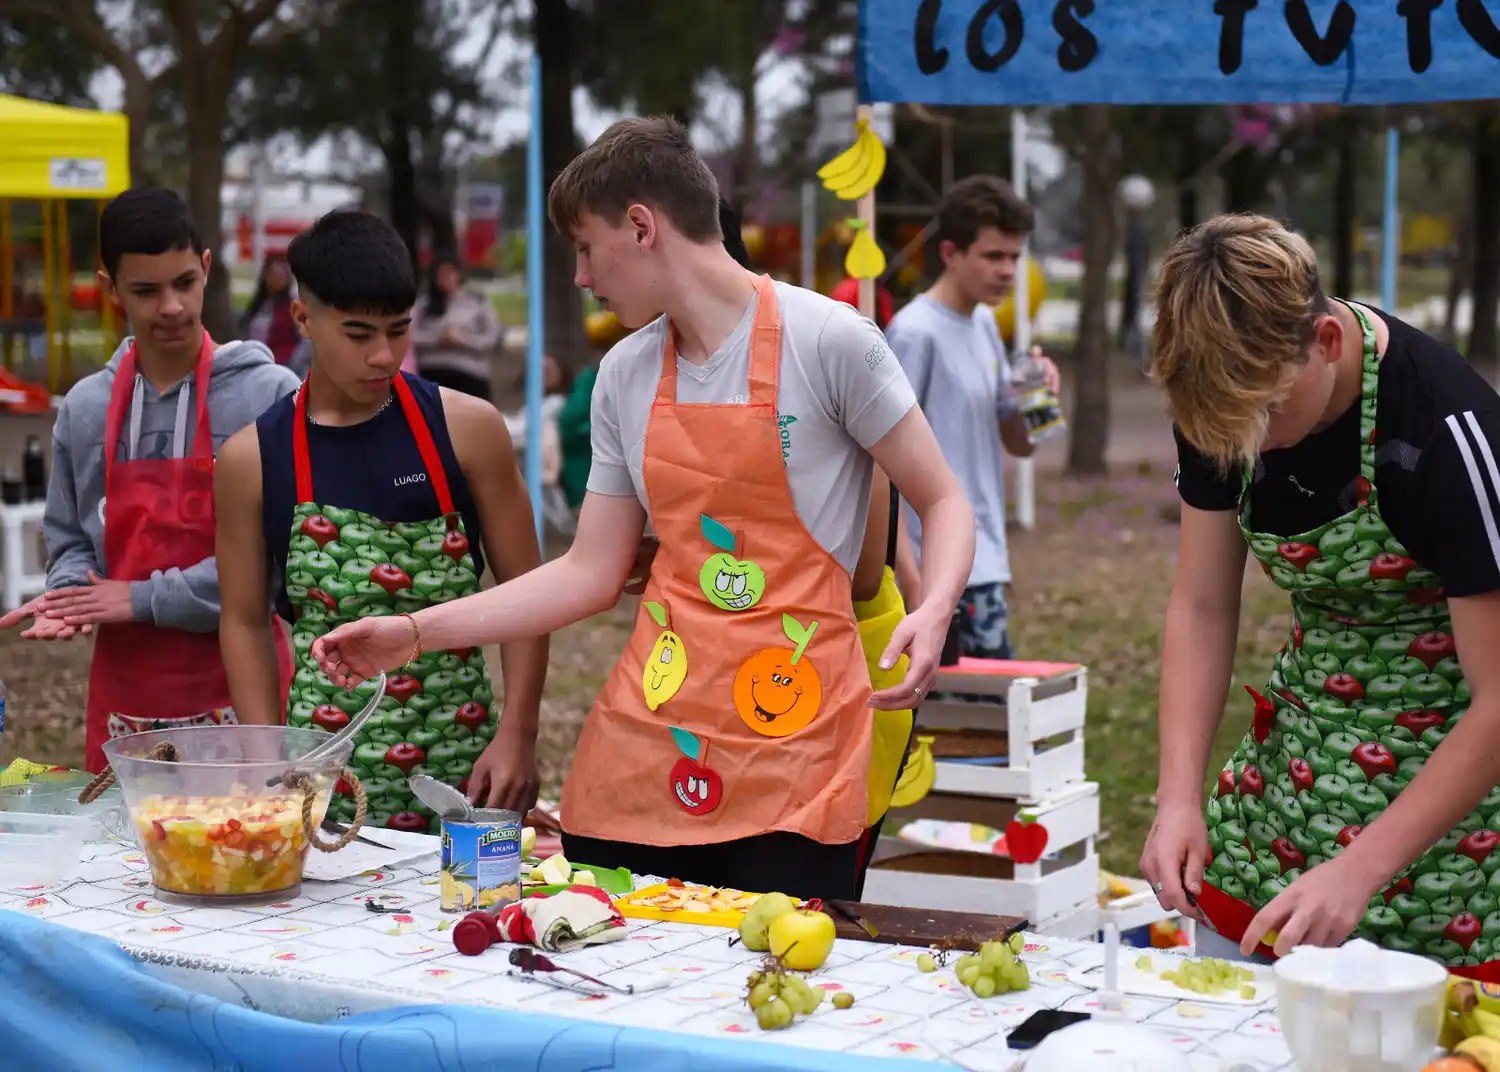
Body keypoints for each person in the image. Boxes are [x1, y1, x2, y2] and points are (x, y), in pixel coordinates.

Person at [309, 117, 975, 899]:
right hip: (660, 723)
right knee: (612, 943)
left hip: (793, 732)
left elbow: (943, 496)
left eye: (587, 249)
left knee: (772, 971)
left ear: (641, 225)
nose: (584, 277)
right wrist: (414, 633)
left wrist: (934, 608)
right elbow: (590, 572)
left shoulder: (829, 339)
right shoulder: (625, 373)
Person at [1141, 213, 1500, 967]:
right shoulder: (1224, 405)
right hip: (1295, 773)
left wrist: (1361, 869)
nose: (1253, 442)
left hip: (1448, 808)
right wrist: (1177, 796)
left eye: (1269, 412)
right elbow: (1202, 606)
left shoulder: (1443, 433)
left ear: (1326, 344)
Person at [214, 210, 547, 822]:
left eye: (398, 331)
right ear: (303, 318)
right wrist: (270, 762)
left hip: (467, 779)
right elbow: (243, 622)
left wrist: (519, 734)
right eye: (359, 333)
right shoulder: (253, 460)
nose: (383, 355)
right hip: (319, 782)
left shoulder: (468, 430)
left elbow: (528, 594)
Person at [0, 187, 298, 772]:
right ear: (110, 288)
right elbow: (69, 537)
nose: (171, 307)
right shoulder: (86, 410)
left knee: (250, 850)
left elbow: (276, 557)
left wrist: (139, 598)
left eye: (184, 283)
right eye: (145, 290)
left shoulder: (266, 396)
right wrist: (71, 594)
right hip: (125, 703)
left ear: (207, 269)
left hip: (244, 695)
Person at [883, 175, 1059, 655]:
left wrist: (1036, 394)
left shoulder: (983, 322)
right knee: (963, 723)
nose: (1007, 271)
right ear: (949, 254)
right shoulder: (915, 334)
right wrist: (911, 577)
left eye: (1015, 258)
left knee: (987, 722)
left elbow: (1019, 442)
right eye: (992, 256)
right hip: (935, 576)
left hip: (985, 564)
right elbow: (881, 466)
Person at [409, 251, 503, 401]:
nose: (446, 280)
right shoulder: (424, 304)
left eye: (450, 273)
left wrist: (464, 340)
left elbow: (492, 338)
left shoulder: (476, 301)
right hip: (434, 371)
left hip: (469, 371)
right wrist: (438, 338)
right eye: (441, 275)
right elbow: (410, 336)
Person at [238, 253, 300, 366]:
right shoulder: (259, 305)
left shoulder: (293, 305)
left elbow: (304, 339)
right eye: (272, 275)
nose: (276, 279)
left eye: (280, 275)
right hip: (260, 362)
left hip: (288, 364)